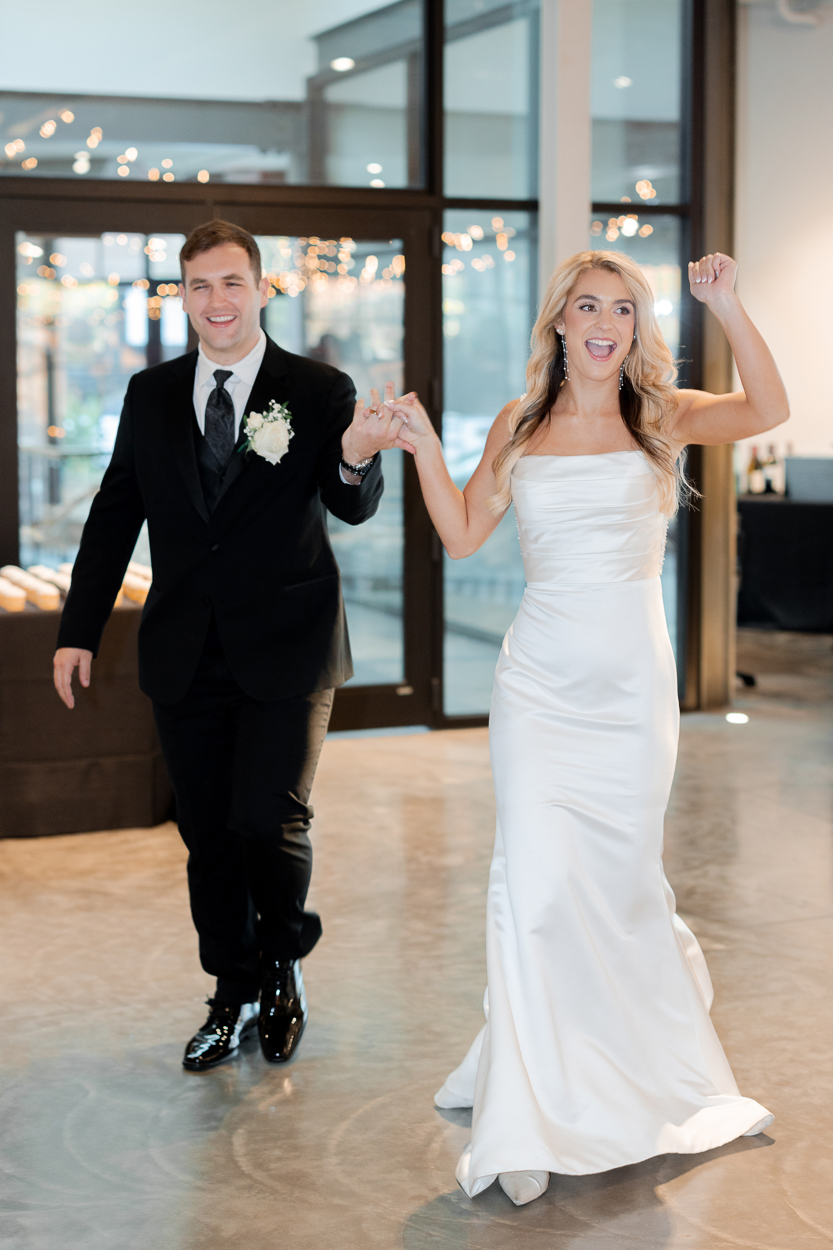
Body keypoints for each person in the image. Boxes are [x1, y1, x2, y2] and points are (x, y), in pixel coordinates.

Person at [388, 251, 787, 1206]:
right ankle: (529, 1110)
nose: (604, 322)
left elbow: (768, 408)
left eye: (622, 309)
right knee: (530, 888)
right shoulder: (518, 425)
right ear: (558, 324)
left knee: (613, 885)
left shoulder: (664, 416)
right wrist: (422, 450)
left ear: (635, 328)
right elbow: (462, 534)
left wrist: (726, 304)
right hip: (538, 690)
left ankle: (621, 1066)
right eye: (586, 307)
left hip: (628, 698)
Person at [53, 220, 406, 1072]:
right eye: (199, 286)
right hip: (185, 649)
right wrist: (78, 630)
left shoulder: (317, 389)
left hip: (288, 645)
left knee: (268, 819)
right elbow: (113, 514)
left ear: (261, 289)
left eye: (232, 284)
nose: (217, 302)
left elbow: (349, 503)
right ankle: (229, 988)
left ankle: (281, 965)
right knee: (208, 831)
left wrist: (358, 455)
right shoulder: (150, 395)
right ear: (182, 296)